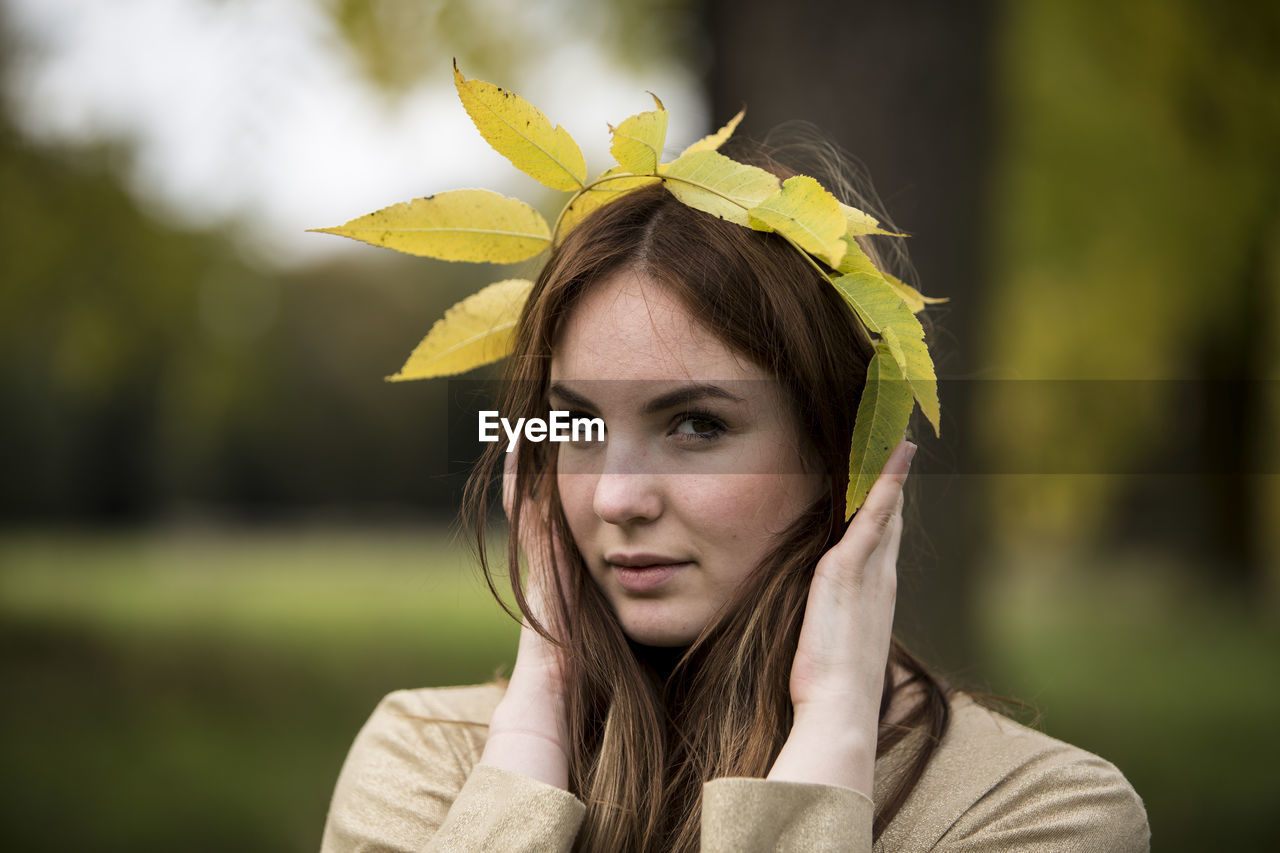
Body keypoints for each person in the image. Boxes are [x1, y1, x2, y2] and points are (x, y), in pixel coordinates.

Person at [317, 112, 1150, 850]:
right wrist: (538, 713)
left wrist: (830, 731)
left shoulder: (1033, 811)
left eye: (696, 425)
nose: (614, 497)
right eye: (577, 424)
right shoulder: (427, 758)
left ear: (844, 451)